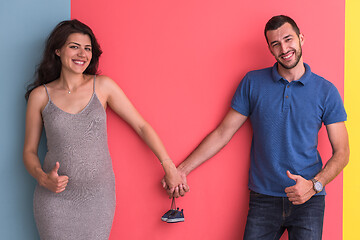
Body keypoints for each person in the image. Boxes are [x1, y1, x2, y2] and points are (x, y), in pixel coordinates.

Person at [163, 15, 349, 239]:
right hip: (263, 199)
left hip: (308, 199)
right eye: (275, 44)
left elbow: (342, 152)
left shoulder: (326, 91)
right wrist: (181, 170)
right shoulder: (253, 82)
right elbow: (223, 133)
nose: (284, 48)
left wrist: (314, 185)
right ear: (270, 49)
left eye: (289, 39)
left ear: (301, 38)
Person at [23, 19, 188, 240]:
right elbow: (29, 151)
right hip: (55, 199)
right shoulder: (40, 96)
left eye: (88, 48)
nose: (82, 53)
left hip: (98, 199)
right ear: (58, 50)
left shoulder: (103, 86)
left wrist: (169, 167)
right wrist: (44, 179)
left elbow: (141, 126)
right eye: (74, 46)